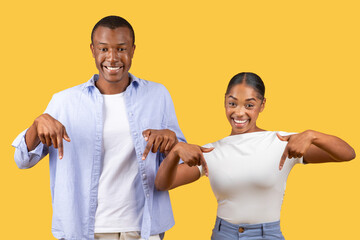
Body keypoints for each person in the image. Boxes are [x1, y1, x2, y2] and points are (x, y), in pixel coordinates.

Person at [12, 16, 185, 240]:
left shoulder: (157, 95)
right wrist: (36, 125)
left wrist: (171, 140)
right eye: (104, 49)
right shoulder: (64, 102)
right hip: (84, 229)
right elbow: (22, 160)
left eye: (121, 49)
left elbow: (180, 158)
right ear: (93, 50)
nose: (112, 58)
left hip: (144, 228)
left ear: (132, 50)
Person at [155, 72, 356, 240]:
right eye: (232, 104)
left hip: (267, 234)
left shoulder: (282, 144)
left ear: (262, 104)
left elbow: (347, 154)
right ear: (224, 101)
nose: (239, 113)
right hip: (224, 234)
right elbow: (163, 184)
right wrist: (175, 152)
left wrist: (312, 135)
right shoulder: (211, 151)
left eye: (249, 105)